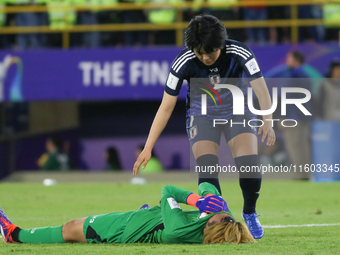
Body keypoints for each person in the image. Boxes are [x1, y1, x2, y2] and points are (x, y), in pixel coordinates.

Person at [133, 14, 275, 239]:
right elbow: (166, 107)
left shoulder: (240, 53)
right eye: (200, 53)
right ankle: (215, 220)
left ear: (221, 44)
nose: (205, 57)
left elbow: (261, 89)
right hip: (202, 115)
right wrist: (148, 147)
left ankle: (249, 212)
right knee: (207, 167)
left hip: (237, 110)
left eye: (211, 52)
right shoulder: (184, 61)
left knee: (249, 165)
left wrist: (267, 119)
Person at [0, 182, 255, 244]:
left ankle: (14, 234)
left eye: (223, 215)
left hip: (122, 230)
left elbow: (167, 191)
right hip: (148, 219)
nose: (224, 212)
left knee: (71, 229)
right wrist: (212, 199)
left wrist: (195, 200)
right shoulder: (215, 223)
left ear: (213, 227)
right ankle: (148, 214)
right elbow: (208, 184)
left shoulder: (179, 231)